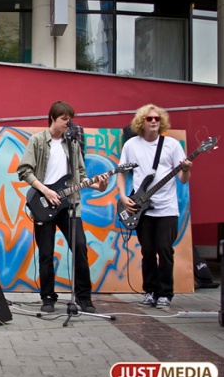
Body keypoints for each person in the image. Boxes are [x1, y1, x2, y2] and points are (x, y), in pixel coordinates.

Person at [17, 101, 108, 313]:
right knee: (46, 253)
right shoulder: (38, 141)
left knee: (80, 248)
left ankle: (84, 298)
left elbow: (81, 176)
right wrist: (46, 191)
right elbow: (24, 170)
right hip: (43, 203)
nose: (68, 122)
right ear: (53, 118)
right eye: (64, 119)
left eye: (70, 119)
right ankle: (48, 297)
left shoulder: (73, 144)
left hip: (69, 205)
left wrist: (100, 186)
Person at [117, 104, 192, 308]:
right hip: (142, 207)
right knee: (148, 251)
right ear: (141, 122)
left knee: (165, 250)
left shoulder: (171, 145)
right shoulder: (131, 145)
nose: (153, 122)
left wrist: (186, 170)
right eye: (149, 118)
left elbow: (183, 179)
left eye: (156, 119)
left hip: (167, 208)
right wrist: (123, 197)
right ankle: (150, 291)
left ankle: (166, 293)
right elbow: (121, 173)